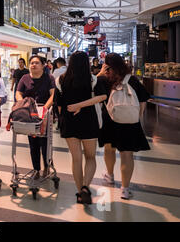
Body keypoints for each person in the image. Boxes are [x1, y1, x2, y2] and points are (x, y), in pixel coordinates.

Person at [54, 51, 107, 204]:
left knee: (76, 159)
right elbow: (102, 97)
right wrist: (81, 105)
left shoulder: (61, 80)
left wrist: (66, 114)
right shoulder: (92, 80)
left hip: (69, 121)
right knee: (90, 157)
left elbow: (59, 105)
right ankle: (85, 187)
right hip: (88, 121)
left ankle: (79, 193)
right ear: (86, 63)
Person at [97, 53, 151, 200]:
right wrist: (137, 116)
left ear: (106, 65)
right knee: (127, 155)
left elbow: (92, 91)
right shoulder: (132, 80)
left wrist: (101, 73)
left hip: (109, 120)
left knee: (109, 149)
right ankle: (125, 189)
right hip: (129, 122)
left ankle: (110, 176)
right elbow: (143, 99)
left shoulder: (104, 80)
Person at [16, 55, 55, 179]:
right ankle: (36, 169)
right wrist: (22, 104)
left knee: (45, 141)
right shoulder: (25, 78)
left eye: (37, 63)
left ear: (43, 65)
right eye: (32, 63)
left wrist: (44, 109)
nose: (33, 65)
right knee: (33, 142)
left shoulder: (49, 78)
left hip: (44, 112)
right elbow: (18, 92)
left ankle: (47, 166)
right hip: (29, 114)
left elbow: (53, 95)